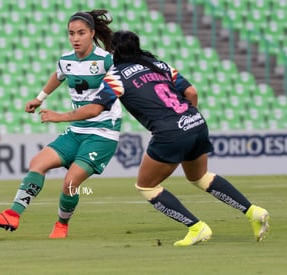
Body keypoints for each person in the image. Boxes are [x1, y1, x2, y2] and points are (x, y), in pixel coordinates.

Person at [39, 30, 270, 246]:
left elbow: (93, 110)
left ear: (115, 52)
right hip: (196, 123)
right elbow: (192, 92)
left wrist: (58, 116)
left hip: (170, 133)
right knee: (200, 177)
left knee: (146, 185)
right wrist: (186, 119)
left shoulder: (116, 76)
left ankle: (196, 227)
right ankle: (253, 212)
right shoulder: (159, 65)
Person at [0, 10, 121, 238]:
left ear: (92, 34)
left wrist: (58, 116)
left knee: (70, 183)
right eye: (71, 33)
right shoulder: (66, 60)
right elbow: (59, 74)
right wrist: (40, 97)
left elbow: (95, 109)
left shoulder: (107, 61)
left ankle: (62, 224)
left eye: (81, 33)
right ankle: (13, 215)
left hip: (103, 133)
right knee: (37, 163)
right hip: (76, 131)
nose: (75, 38)